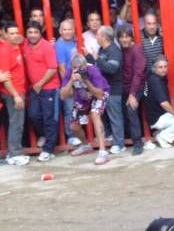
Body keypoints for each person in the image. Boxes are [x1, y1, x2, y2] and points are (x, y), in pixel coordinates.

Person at [61, 54, 111, 165]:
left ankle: (103, 152)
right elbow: (63, 96)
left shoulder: (93, 70)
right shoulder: (70, 72)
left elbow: (99, 94)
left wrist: (86, 80)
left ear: (85, 65)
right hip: (82, 98)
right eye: (75, 68)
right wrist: (71, 81)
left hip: (99, 93)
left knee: (95, 113)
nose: (78, 70)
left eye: (80, 68)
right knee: (73, 125)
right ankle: (85, 145)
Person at [23, 21, 60, 162]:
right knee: (33, 115)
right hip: (35, 88)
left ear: (40, 33)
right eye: (30, 32)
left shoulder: (46, 47)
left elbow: (52, 68)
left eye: (35, 32)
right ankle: (46, 136)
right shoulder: (25, 44)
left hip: (48, 88)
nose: (32, 35)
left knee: (49, 118)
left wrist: (40, 83)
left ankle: (48, 150)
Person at [86, 25, 126, 153]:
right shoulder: (102, 50)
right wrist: (90, 57)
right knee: (105, 116)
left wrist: (97, 58)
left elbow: (111, 69)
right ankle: (111, 138)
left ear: (103, 37)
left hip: (113, 89)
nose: (96, 37)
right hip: (103, 90)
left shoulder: (114, 51)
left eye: (97, 35)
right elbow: (98, 67)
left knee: (115, 117)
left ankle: (119, 144)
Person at [0, 22, 29, 166]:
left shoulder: (14, 47)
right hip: (13, 93)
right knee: (16, 123)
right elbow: (5, 77)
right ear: (4, 34)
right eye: (11, 33)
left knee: (17, 122)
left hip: (17, 91)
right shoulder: (5, 51)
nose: (15, 35)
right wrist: (16, 95)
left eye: (16, 32)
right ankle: (14, 154)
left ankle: (13, 153)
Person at [146, 55, 174, 147]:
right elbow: (164, 103)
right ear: (154, 68)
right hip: (157, 119)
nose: (163, 69)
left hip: (157, 116)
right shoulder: (155, 81)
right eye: (160, 67)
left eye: (165, 66)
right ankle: (162, 137)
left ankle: (160, 133)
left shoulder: (153, 77)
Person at [118, 26, 146, 155]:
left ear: (131, 37)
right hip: (124, 86)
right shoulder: (120, 50)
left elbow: (138, 73)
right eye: (122, 37)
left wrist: (132, 94)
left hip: (137, 86)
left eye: (127, 36)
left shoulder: (136, 50)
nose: (124, 39)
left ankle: (138, 143)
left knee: (131, 109)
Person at [54, 19, 81, 147]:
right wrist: (68, 84)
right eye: (64, 29)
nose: (67, 32)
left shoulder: (75, 41)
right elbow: (61, 67)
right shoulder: (60, 44)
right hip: (70, 81)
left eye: (70, 29)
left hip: (80, 80)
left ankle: (80, 133)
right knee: (69, 109)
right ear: (60, 31)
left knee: (80, 108)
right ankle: (70, 135)